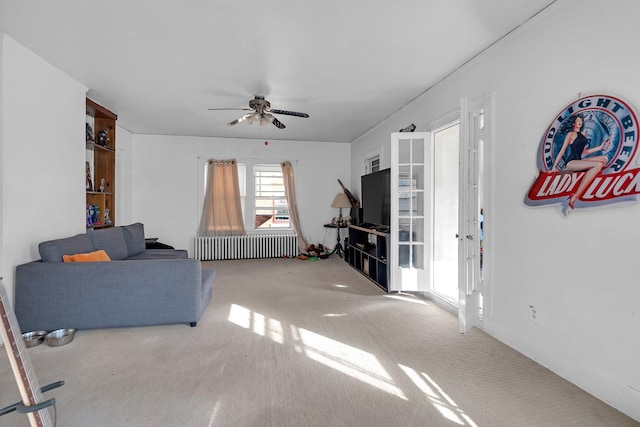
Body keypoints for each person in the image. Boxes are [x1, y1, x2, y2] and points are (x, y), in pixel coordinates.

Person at [551, 113, 609, 209]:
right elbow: (562, 150)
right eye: (577, 120)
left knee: (604, 159)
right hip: (571, 163)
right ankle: (575, 196)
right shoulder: (570, 134)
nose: (580, 122)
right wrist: (554, 167)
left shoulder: (583, 134)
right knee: (597, 165)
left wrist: (599, 148)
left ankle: (589, 174)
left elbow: (584, 151)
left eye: (581, 121)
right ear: (573, 123)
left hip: (579, 160)